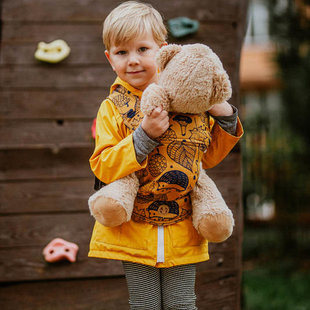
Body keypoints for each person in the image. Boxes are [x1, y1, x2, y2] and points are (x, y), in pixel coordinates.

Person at [88, 1, 243, 309]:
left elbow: (205, 158)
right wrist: (144, 135)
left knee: (182, 303)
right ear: (110, 58)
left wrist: (224, 115)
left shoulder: (186, 99)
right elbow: (103, 166)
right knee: (144, 305)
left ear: (162, 50)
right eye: (121, 52)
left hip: (182, 224)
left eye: (142, 49)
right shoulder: (112, 108)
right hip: (134, 228)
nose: (132, 61)